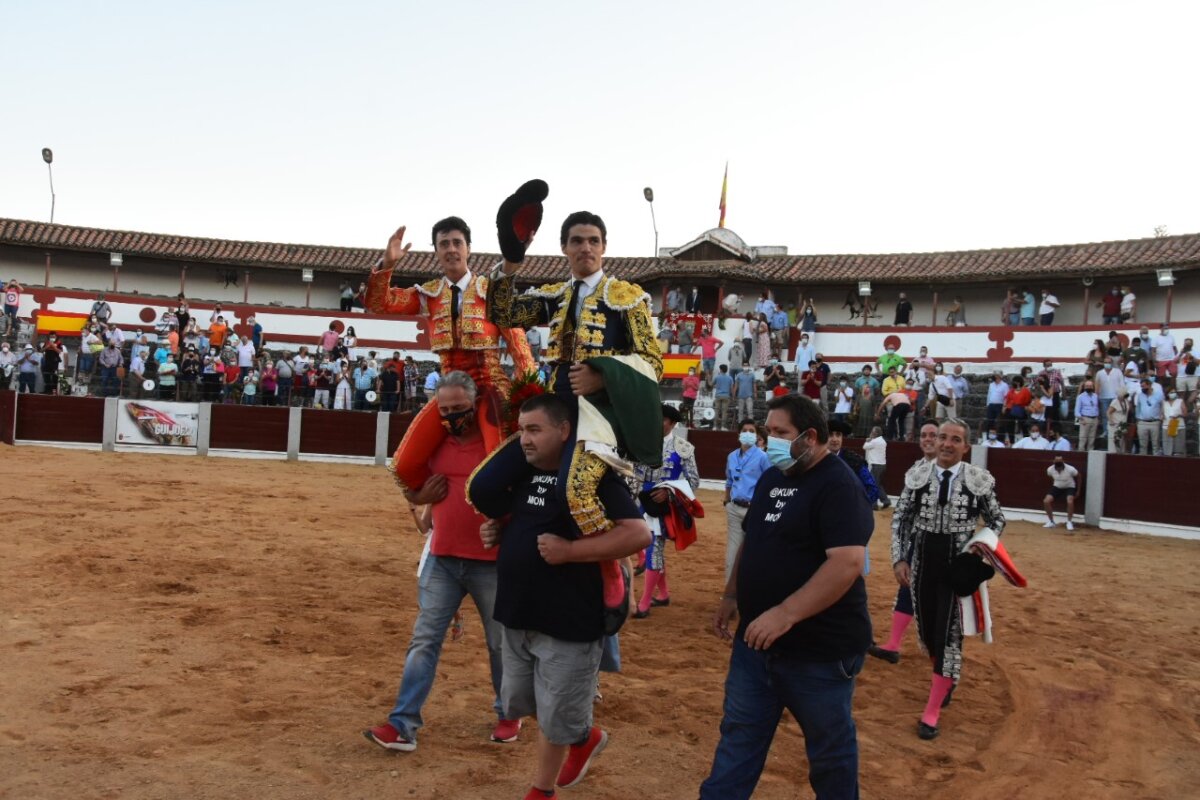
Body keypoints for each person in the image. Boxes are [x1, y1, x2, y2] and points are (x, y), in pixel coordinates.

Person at [466, 394, 649, 800]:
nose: (524, 440)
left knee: (553, 714)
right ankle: (583, 736)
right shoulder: (523, 476)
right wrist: (497, 533)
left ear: (564, 431)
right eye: (521, 431)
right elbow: (521, 523)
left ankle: (541, 789)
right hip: (516, 611)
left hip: (569, 618)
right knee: (519, 700)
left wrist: (570, 552)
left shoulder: (595, 479)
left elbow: (638, 535)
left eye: (534, 430)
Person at [484, 209, 663, 615]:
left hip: (600, 416)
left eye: (593, 241)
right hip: (555, 408)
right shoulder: (556, 295)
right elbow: (503, 314)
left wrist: (604, 376)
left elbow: (653, 361)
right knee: (488, 481)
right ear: (564, 248)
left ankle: (608, 565)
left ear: (604, 248)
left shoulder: (627, 298)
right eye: (577, 240)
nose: (586, 247)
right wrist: (510, 261)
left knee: (577, 489)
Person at [701, 394, 871, 800]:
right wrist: (731, 594)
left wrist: (786, 613)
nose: (769, 442)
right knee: (738, 738)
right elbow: (752, 539)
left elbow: (846, 563)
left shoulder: (838, 485)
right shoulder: (774, 477)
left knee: (829, 752)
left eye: (779, 434)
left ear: (810, 437)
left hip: (819, 652)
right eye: (768, 433)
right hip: (756, 646)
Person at [364, 372, 522, 753]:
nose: (452, 416)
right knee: (424, 641)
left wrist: (505, 528)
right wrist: (419, 493)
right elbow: (422, 493)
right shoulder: (437, 445)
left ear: (476, 405)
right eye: (445, 409)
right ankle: (402, 724)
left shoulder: (498, 445)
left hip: (491, 562)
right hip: (443, 559)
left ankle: (508, 713)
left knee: (500, 644)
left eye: (459, 409)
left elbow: (520, 496)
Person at [366, 215, 536, 489]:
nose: (451, 249)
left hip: (490, 389)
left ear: (468, 249)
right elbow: (379, 303)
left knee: (499, 461)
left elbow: (519, 348)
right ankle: (437, 509)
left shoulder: (493, 291)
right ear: (436, 252)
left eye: (457, 242)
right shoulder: (428, 295)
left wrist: (528, 394)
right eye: (444, 244)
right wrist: (387, 265)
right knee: (404, 466)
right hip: (448, 392)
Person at [890, 419, 1006, 740]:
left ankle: (932, 710)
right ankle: (944, 678)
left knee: (949, 635)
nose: (946, 444)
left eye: (955, 439)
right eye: (942, 437)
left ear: (965, 447)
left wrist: (977, 552)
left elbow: (996, 519)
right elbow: (901, 519)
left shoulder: (977, 479)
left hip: (957, 567)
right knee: (928, 632)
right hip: (923, 561)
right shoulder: (918, 476)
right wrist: (900, 558)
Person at [868, 422, 938, 665]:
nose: (928, 439)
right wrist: (900, 557)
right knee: (907, 590)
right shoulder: (916, 470)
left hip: (945, 546)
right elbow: (903, 515)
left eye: (933, 435)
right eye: (924, 435)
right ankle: (894, 645)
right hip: (917, 542)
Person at [632, 405, 700, 620]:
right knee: (652, 550)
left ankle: (644, 602)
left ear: (672, 423)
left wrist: (669, 492)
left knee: (654, 549)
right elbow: (632, 474)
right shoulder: (640, 444)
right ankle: (663, 594)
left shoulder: (683, 448)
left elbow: (694, 480)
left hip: (663, 507)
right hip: (641, 502)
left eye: (661, 419)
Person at [723, 418, 772, 582]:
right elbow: (729, 481)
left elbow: (771, 483)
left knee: (754, 553)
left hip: (755, 510)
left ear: (757, 435)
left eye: (752, 431)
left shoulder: (763, 457)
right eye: (745, 430)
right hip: (735, 509)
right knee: (732, 553)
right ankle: (730, 594)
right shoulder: (731, 456)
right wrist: (727, 501)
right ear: (738, 434)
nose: (748, 434)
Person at [1043, 456, 1079, 530]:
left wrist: (1078, 490)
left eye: (1060, 465)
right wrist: (1054, 484)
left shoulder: (1070, 469)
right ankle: (1051, 521)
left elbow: (1079, 476)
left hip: (1070, 486)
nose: (1059, 468)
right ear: (1054, 463)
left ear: (1063, 463)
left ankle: (1069, 522)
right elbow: (1051, 477)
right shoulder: (1050, 469)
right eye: (1057, 465)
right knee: (1046, 501)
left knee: (1070, 501)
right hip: (1057, 486)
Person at [1134, 377, 1163, 455]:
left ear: (1149, 385)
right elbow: (1138, 408)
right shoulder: (1140, 395)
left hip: (1154, 421)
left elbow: (1162, 406)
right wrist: (1138, 420)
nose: (1142, 388)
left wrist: (1161, 417)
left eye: (1143, 386)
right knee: (1142, 445)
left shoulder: (1159, 394)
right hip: (1142, 422)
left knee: (1155, 444)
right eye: (1141, 387)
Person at [863, 426, 890, 508]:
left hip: (876, 466)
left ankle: (874, 504)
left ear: (876, 433)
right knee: (878, 484)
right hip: (882, 465)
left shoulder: (874, 441)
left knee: (872, 484)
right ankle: (885, 501)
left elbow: (864, 447)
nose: (871, 432)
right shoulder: (882, 441)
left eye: (872, 431)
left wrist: (868, 440)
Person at [1074, 378, 1100, 450]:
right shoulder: (1080, 397)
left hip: (1094, 419)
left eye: (1090, 386)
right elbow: (1076, 411)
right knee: (1083, 438)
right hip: (1085, 418)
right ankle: (1081, 454)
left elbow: (1097, 407)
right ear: (1084, 387)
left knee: (1092, 439)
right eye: (1087, 386)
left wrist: (1097, 418)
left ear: (1093, 387)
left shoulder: (1096, 396)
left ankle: (1090, 455)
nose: (1089, 387)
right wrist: (1081, 419)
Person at [1162, 388, 1185, 456]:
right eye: (1171, 392)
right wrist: (1162, 416)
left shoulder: (1180, 401)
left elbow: (1185, 413)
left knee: (1178, 447)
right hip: (1167, 425)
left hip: (1178, 425)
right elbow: (1162, 413)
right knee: (1167, 447)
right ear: (1167, 394)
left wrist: (1178, 415)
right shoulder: (1164, 402)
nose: (1173, 394)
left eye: (1174, 392)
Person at [712, 364, 734, 430]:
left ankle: (715, 426)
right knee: (724, 412)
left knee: (716, 411)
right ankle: (723, 426)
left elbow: (712, 384)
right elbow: (731, 388)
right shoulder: (730, 378)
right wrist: (733, 396)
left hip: (718, 396)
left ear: (721, 369)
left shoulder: (717, 377)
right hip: (726, 396)